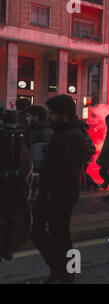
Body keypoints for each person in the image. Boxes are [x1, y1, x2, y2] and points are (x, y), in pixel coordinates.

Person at [31, 95, 86, 283]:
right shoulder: (61, 131)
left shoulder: (73, 135)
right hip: (50, 192)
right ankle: (60, 270)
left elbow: (68, 169)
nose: (50, 117)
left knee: (61, 236)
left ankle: (68, 274)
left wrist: (51, 193)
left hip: (60, 194)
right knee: (39, 231)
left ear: (64, 114)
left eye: (53, 113)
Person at [0, 110, 32, 262]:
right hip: (15, 188)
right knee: (11, 217)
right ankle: (8, 248)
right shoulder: (20, 136)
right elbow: (27, 166)